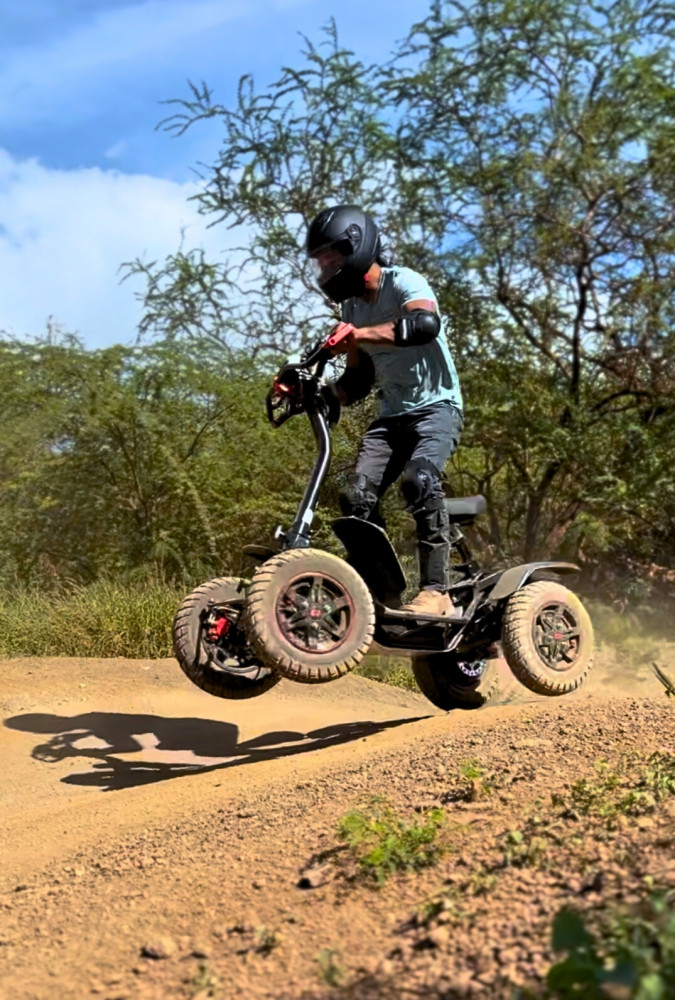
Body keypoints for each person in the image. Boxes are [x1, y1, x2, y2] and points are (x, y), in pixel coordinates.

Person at [307, 204, 463, 616]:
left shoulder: (403, 282)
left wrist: (357, 335)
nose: (325, 267)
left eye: (330, 257)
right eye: (321, 261)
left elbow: (424, 325)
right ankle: (381, 592)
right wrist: (322, 394)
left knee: (419, 480)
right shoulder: (351, 308)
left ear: (356, 247)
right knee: (354, 495)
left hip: (436, 407)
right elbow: (358, 381)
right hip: (392, 414)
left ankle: (437, 592)